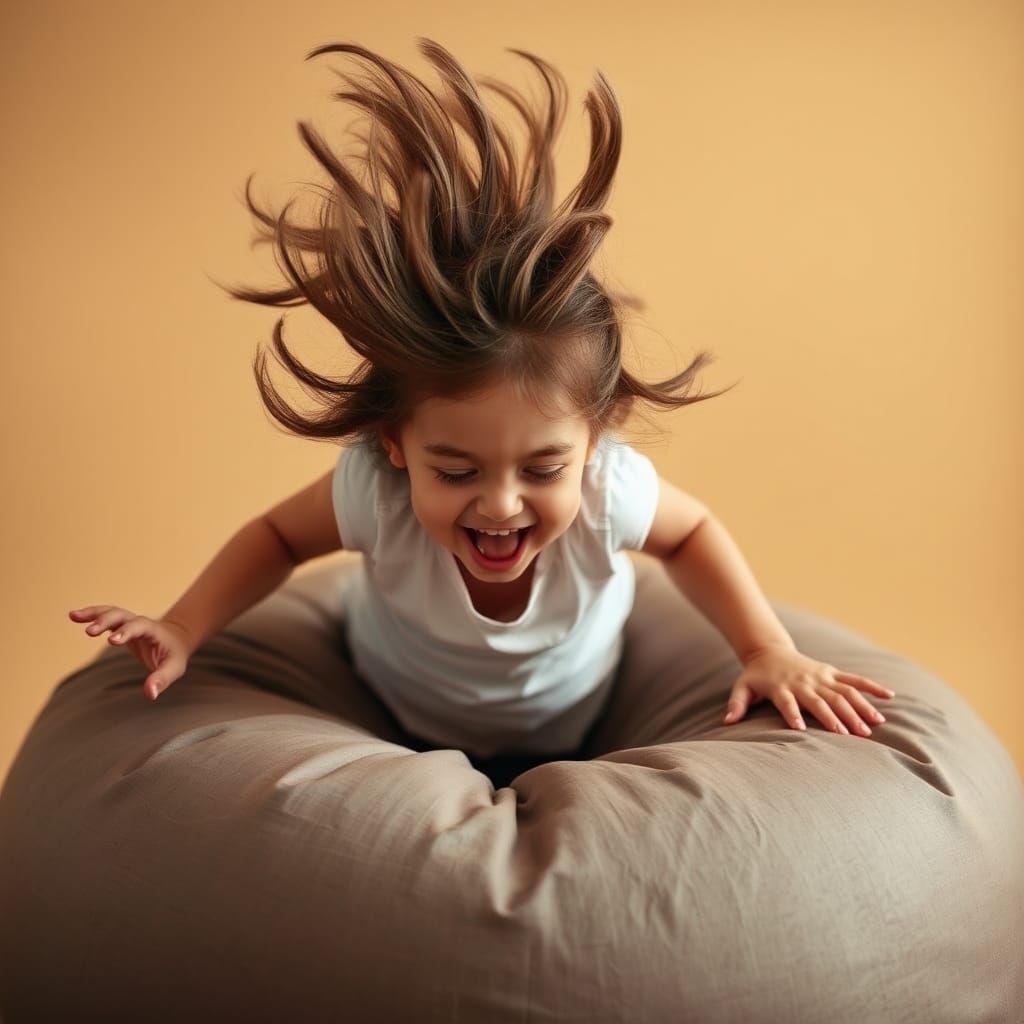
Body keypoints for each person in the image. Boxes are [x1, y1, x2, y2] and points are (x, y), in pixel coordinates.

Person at [68, 38, 893, 784]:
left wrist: (764, 649)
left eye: (544, 468)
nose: (500, 504)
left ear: (593, 442)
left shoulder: (612, 492)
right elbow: (276, 537)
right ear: (395, 444)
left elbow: (695, 533)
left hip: (578, 723)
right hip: (394, 716)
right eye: (455, 469)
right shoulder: (372, 493)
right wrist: (181, 626)